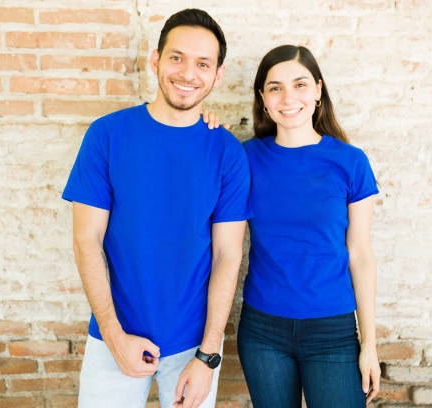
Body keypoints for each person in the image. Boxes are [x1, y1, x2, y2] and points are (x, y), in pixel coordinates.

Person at [61, 9, 252, 408]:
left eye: (203, 63)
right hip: (113, 335)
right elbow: (87, 239)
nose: (187, 73)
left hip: (193, 347)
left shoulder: (228, 153)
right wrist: (114, 337)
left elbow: (227, 254)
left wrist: (208, 355)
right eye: (177, 58)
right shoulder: (107, 135)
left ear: (217, 76)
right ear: (156, 60)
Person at [237, 45, 381, 407]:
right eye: (275, 88)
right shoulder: (245, 157)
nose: (288, 98)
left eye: (300, 84)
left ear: (318, 90)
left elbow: (360, 255)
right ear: (263, 98)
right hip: (262, 331)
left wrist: (369, 344)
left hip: (332, 330)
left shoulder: (350, 162)